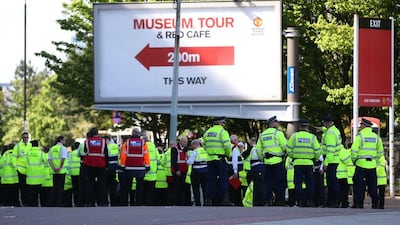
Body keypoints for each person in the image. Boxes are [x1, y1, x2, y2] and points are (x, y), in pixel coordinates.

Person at [286, 118, 321, 207]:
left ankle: (299, 201)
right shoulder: (312, 137)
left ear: (299, 126)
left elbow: (288, 149)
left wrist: (293, 157)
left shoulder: (294, 136)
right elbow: (317, 151)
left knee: (298, 183)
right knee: (310, 183)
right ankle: (309, 201)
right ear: (308, 126)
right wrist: (315, 158)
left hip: (297, 163)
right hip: (309, 163)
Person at [351, 118, 384, 209]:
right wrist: (375, 160)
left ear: (364, 126)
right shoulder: (376, 137)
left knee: (358, 185)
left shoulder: (360, 136)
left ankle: (358, 204)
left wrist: (354, 160)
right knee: (373, 185)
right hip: (372, 165)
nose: (360, 127)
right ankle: (375, 203)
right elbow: (380, 152)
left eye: (361, 125)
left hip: (361, 164)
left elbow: (354, 151)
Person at [256, 115, 287, 206]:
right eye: (276, 122)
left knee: (268, 183)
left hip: (267, 163)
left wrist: (263, 159)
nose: (277, 123)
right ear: (272, 124)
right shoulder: (278, 133)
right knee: (279, 183)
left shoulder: (262, 135)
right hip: (277, 162)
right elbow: (285, 147)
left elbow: (258, 150)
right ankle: (279, 201)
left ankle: (268, 200)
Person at [203, 116, 232, 206]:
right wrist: (228, 154)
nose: (224, 125)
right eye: (223, 123)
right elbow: (227, 145)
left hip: (210, 159)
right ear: (219, 123)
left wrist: (210, 152)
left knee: (211, 180)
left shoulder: (207, 132)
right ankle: (224, 200)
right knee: (223, 180)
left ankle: (208, 200)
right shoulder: (222, 132)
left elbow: (204, 145)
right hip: (220, 159)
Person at [118, 127, 149, 206]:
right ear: (139, 134)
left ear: (132, 134)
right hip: (140, 167)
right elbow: (146, 155)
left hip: (129, 167)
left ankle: (125, 202)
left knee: (127, 186)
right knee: (140, 187)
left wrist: (122, 165)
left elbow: (123, 155)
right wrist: (147, 165)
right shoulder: (143, 143)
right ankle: (138, 202)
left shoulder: (127, 143)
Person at [82, 128, 108, 206]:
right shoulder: (103, 141)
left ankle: (90, 202)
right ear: (97, 133)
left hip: (89, 165)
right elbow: (106, 153)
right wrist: (107, 165)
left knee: (90, 184)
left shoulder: (87, 141)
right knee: (102, 184)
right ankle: (102, 202)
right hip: (101, 164)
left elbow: (85, 151)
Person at [321, 115, 342, 208]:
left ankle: (333, 202)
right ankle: (333, 201)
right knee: (332, 181)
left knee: (331, 182)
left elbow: (330, 149)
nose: (324, 124)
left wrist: (326, 162)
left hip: (331, 160)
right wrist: (322, 129)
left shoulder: (330, 133)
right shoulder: (335, 130)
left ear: (328, 123)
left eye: (324, 123)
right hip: (335, 159)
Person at [47, 136, 68, 207]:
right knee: (60, 188)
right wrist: (60, 167)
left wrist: (53, 168)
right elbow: (63, 158)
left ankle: (52, 203)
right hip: (61, 171)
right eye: (64, 140)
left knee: (55, 187)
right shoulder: (63, 148)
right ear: (61, 140)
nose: (65, 141)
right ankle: (59, 203)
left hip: (54, 171)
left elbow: (49, 159)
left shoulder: (52, 148)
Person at [12, 132, 32, 206]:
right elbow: (13, 157)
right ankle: (24, 202)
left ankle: (28, 201)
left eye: (27, 137)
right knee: (23, 187)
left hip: (29, 170)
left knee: (28, 187)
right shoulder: (18, 146)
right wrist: (16, 167)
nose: (26, 138)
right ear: (22, 138)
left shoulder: (30, 145)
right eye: (24, 137)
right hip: (21, 170)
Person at [186, 139, 208, 206]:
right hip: (205, 171)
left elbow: (190, 162)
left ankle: (198, 203)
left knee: (196, 188)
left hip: (196, 172)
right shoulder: (205, 151)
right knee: (205, 188)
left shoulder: (194, 152)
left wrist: (187, 159)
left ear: (194, 145)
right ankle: (205, 202)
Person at [26, 140, 45, 207]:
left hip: (30, 178)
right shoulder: (41, 153)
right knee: (39, 194)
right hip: (39, 178)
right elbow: (46, 161)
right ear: (37, 145)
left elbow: (25, 162)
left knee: (32, 194)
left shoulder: (28, 153)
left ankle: (32, 206)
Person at [170, 139, 188, 206]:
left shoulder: (186, 149)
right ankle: (176, 201)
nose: (186, 143)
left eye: (186, 142)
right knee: (177, 187)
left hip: (184, 170)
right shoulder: (175, 149)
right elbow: (173, 160)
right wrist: (177, 170)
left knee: (183, 187)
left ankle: (182, 202)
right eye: (184, 142)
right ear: (180, 142)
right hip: (178, 171)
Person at [103, 136, 119, 206]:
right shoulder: (116, 146)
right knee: (113, 187)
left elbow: (105, 157)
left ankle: (106, 202)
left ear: (107, 140)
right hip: (115, 168)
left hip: (108, 168)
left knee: (106, 186)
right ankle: (114, 202)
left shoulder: (107, 147)